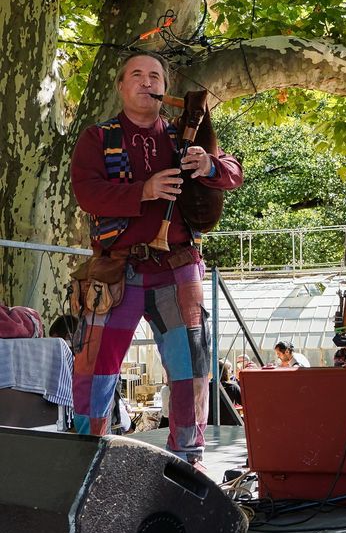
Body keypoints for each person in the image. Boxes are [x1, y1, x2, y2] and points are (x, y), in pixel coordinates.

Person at [70, 50, 243, 467]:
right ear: (121, 86)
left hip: (179, 266)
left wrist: (209, 164)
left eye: (155, 76)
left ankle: (188, 461)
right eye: (137, 75)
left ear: (165, 87)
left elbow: (234, 173)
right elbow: (86, 192)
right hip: (115, 269)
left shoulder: (185, 134)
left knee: (191, 369)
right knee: (94, 369)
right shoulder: (97, 137)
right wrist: (143, 192)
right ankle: (86, 460)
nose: (147, 82)